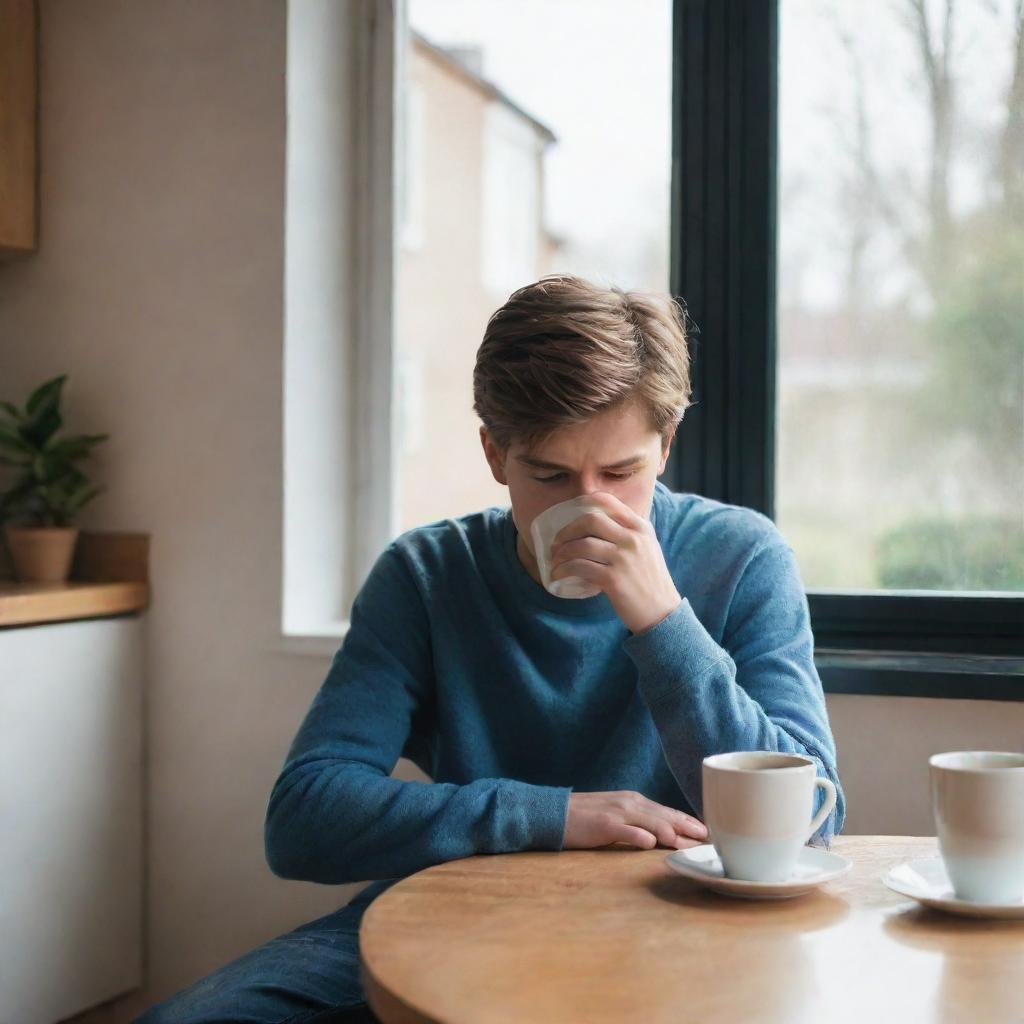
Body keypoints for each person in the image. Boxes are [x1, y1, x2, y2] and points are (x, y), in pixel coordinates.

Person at [136, 274, 844, 1023]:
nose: (589, 506)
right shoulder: (425, 575)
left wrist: (662, 621)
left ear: (665, 446)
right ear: (494, 454)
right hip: (449, 911)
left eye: (621, 472)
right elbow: (304, 820)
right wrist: (553, 817)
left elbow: (811, 824)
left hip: (675, 924)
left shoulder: (742, 558)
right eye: (550, 475)